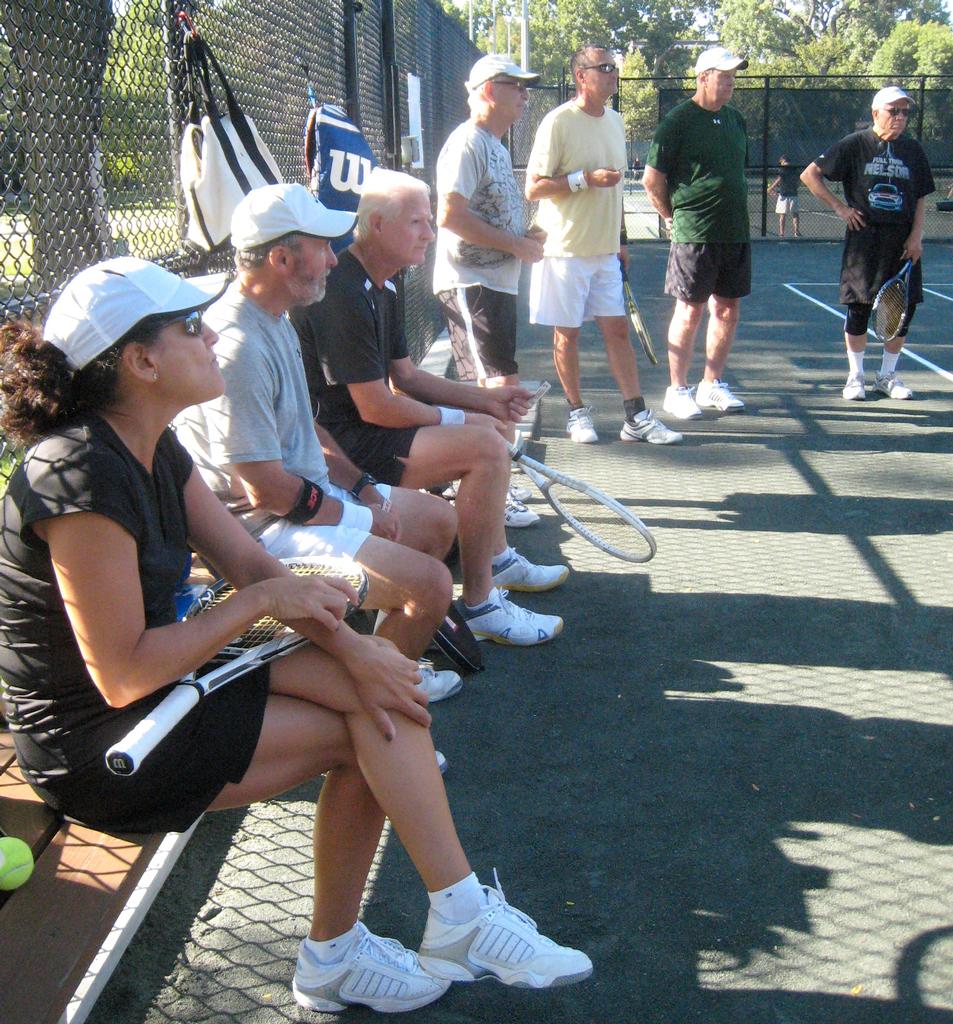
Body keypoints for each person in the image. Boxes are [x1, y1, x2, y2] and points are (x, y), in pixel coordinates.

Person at [0, 257, 593, 1014]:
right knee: (368, 733)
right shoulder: (77, 476)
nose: (209, 333)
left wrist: (356, 648)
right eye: (188, 327)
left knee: (382, 687)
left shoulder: (151, 446)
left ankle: (451, 920)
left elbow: (247, 562)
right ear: (140, 361)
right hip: (102, 741)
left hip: (167, 679)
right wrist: (269, 604)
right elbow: (121, 675)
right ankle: (361, 950)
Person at [174, 184, 462, 701]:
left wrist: (366, 488)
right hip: (259, 532)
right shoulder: (238, 345)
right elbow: (265, 491)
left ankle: (374, 668)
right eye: (323, 247)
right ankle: (365, 709)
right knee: (430, 585)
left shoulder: (275, 318)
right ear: (282, 259)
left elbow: (311, 433)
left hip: (301, 503)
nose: (335, 259)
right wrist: (356, 516)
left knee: (438, 520)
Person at [291, 169, 568, 647]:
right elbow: (376, 406)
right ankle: (480, 604)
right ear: (377, 225)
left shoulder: (387, 281)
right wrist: (466, 418)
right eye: (417, 222)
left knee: (492, 430)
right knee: (483, 447)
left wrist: (488, 400)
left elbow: (408, 377)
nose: (431, 232)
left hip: (368, 428)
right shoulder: (343, 293)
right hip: (342, 446)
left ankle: (497, 559)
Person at [524, 44, 681, 446]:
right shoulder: (557, 123)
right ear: (581, 76)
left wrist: (621, 239)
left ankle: (636, 416)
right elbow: (534, 188)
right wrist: (584, 179)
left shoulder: (616, 121)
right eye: (605, 67)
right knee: (568, 335)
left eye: (615, 68)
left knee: (618, 332)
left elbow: (616, 192)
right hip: (563, 251)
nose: (613, 74)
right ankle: (576, 413)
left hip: (605, 253)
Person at [434, 53, 545, 528]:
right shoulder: (466, 143)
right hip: (470, 283)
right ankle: (489, 493)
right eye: (513, 84)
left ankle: (494, 480)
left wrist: (527, 237)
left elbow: (491, 215)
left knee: (500, 390)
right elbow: (451, 216)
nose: (523, 93)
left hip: (496, 284)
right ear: (485, 90)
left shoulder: (496, 145)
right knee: (498, 391)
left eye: (525, 86)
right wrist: (517, 243)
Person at [800, 86, 935, 401]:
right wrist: (840, 208)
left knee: (902, 312)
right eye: (894, 111)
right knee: (859, 308)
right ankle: (855, 377)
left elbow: (920, 197)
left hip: (902, 245)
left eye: (904, 112)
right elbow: (810, 175)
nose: (900, 118)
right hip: (864, 241)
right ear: (876, 113)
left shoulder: (913, 151)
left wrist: (916, 236)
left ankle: (887, 376)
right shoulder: (854, 144)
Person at [642, 46, 751, 421]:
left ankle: (712, 384)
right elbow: (652, 179)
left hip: (734, 232)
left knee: (728, 310)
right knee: (689, 311)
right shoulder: (678, 121)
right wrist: (672, 217)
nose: (731, 83)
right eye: (724, 76)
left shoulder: (736, 120)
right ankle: (677, 389)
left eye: (733, 77)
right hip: (695, 233)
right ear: (703, 77)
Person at [767, 156, 802, 238]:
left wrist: (770, 188)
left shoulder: (782, 169)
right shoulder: (794, 169)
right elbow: (799, 180)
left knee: (782, 215)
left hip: (784, 195)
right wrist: (796, 186)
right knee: (795, 214)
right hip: (793, 194)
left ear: (782, 161)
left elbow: (779, 179)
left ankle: (781, 233)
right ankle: (796, 232)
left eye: (781, 162)